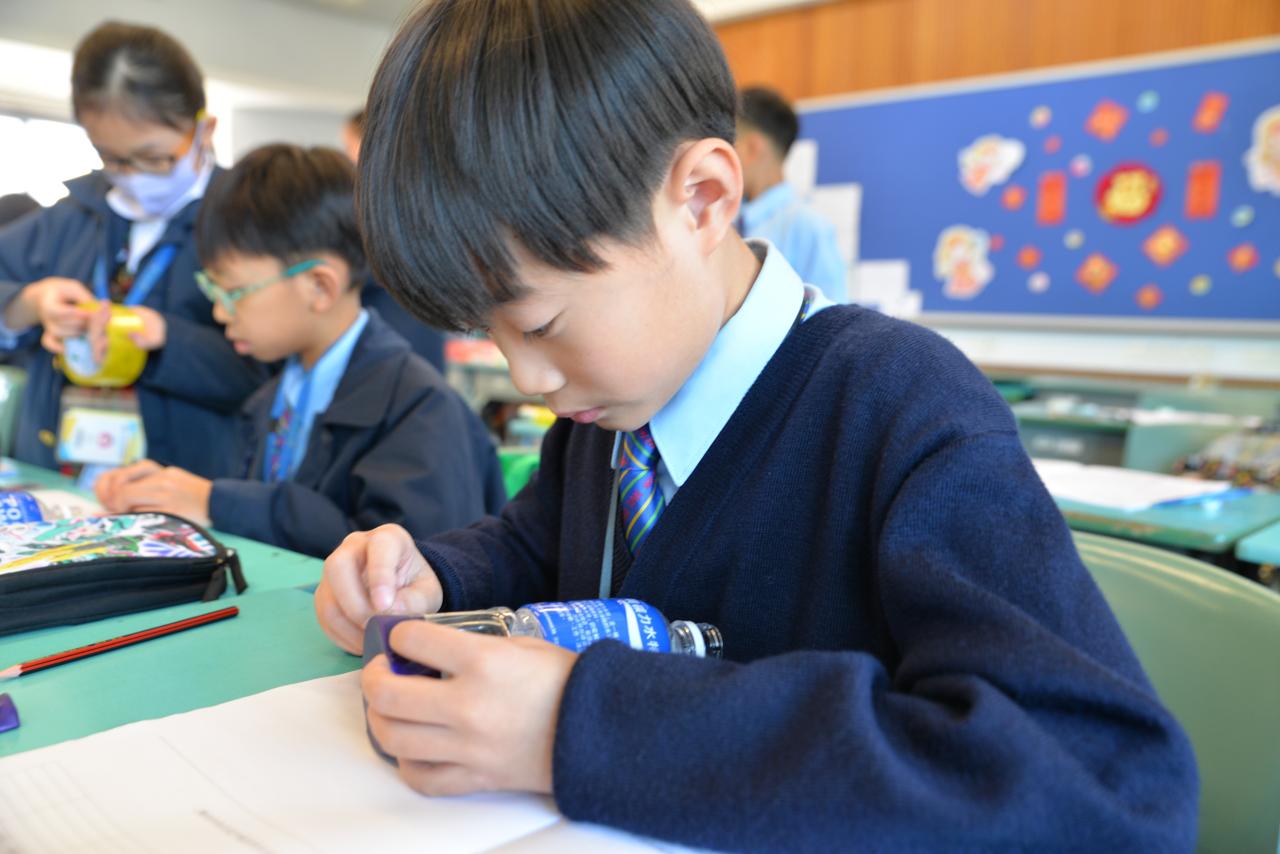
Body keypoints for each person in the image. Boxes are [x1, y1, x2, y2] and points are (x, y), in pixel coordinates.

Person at [314, 1, 1198, 851]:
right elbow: (540, 548)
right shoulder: (607, 412)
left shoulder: (901, 405)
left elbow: (1105, 788)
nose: (528, 378)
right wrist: (437, 576)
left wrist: (583, 727)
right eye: (491, 333)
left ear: (702, 199)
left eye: (541, 323)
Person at [96, 144, 506, 559]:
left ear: (319, 286)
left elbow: (412, 562)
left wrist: (216, 502)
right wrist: (173, 493)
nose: (220, 311)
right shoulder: (271, 398)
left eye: (235, 291)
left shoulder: (421, 409)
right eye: (212, 290)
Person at [0, 22, 266, 484]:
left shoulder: (249, 221)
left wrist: (166, 337)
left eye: (154, 157)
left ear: (204, 130)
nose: (132, 175)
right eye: (112, 158)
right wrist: (29, 305)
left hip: (183, 487)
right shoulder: (73, 215)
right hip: (59, 480)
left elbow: (270, 370)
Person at [343, 105, 446, 373]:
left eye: (350, 147)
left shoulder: (384, 198)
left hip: (396, 326)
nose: (349, 159)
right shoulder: (419, 188)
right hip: (418, 324)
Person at [735, 85, 848, 303]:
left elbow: (832, 315)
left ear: (752, 148)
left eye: (731, 145)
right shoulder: (725, 220)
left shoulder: (809, 228)